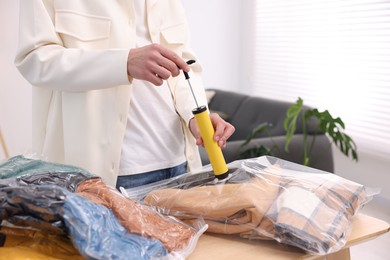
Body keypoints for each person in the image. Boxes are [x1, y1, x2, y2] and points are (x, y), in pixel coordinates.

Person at [14, 0, 235, 189]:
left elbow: (183, 64)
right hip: (106, 177)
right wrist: (123, 63)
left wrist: (195, 116)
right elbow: (34, 59)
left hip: (179, 166)